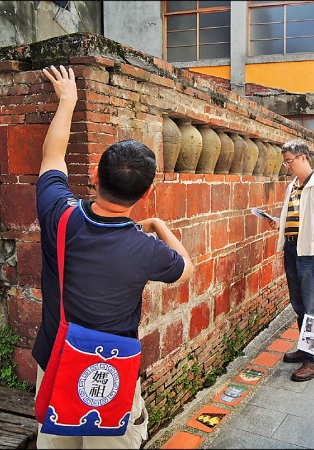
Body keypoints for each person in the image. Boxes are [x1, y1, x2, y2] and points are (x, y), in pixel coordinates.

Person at [33, 65, 194, 449]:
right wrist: (157, 224)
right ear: (143, 193)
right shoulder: (147, 248)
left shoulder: (60, 214)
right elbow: (186, 269)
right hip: (111, 371)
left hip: (56, 359)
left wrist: (68, 100)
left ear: (94, 175)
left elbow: (52, 156)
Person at [268, 139, 314, 382]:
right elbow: (298, 219)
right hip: (292, 249)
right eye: (285, 161)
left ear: (303, 158)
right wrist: (281, 225)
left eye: (289, 160)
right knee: (298, 305)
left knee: (313, 307)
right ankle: (306, 347)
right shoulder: (293, 185)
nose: (287, 165)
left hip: (310, 255)